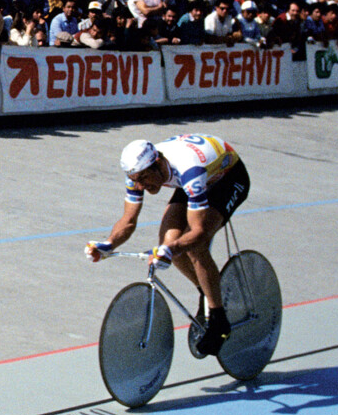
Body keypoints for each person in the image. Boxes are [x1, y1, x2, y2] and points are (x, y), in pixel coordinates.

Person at [85, 134, 251, 358]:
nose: (142, 186)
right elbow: (128, 221)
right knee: (168, 242)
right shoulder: (139, 174)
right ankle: (207, 291)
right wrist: (108, 244)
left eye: (144, 178)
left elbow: (198, 233)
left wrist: (170, 250)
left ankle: (219, 318)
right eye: (137, 180)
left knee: (193, 246)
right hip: (194, 181)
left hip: (228, 179)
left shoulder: (190, 170)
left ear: (158, 163)